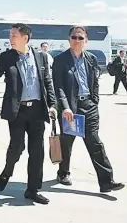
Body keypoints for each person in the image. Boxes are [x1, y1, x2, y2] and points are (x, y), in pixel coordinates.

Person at [0, 23, 57, 204]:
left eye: (14, 35)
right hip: (17, 111)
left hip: (36, 110)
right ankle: (7, 170)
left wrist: (52, 104)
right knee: (17, 147)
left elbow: (47, 82)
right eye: (10, 35)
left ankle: (32, 189)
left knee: (37, 151)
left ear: (25, 38)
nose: (10, 39)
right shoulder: (7, 57)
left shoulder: (41, 57)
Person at [52, 26, 124, 192]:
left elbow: (95, 81)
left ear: (86, 41)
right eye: (74, 37)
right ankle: (63, 172)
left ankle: (106, 182)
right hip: (70, 108)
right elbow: (59, 87)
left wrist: (94, 99)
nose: (77, 40)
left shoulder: (90, 59)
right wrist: (65, 107)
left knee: (95, 142)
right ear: (69, 39)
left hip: (88, 107)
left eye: (80, 38)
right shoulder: (60, 60)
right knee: (67, 142)